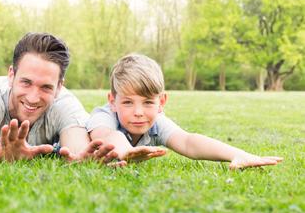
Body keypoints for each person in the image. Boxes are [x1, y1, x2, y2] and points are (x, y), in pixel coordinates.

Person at [87, 53, 284, 169]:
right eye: (128, 103)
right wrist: (127, 152)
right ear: (112, 101)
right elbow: (107, 137)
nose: (139, 112)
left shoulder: (155, 122)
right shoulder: (104, 116)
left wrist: (238, 154)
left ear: (161, 102)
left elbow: (188, 142)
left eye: (147, 102)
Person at [0, 32, 123, 163]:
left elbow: (77, 146)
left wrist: (82, 158)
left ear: (59, 87)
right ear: (11, 75)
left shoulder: (65, 104)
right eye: (26, 82)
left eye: (46, 87)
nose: (33, 97)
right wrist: (1, 155)